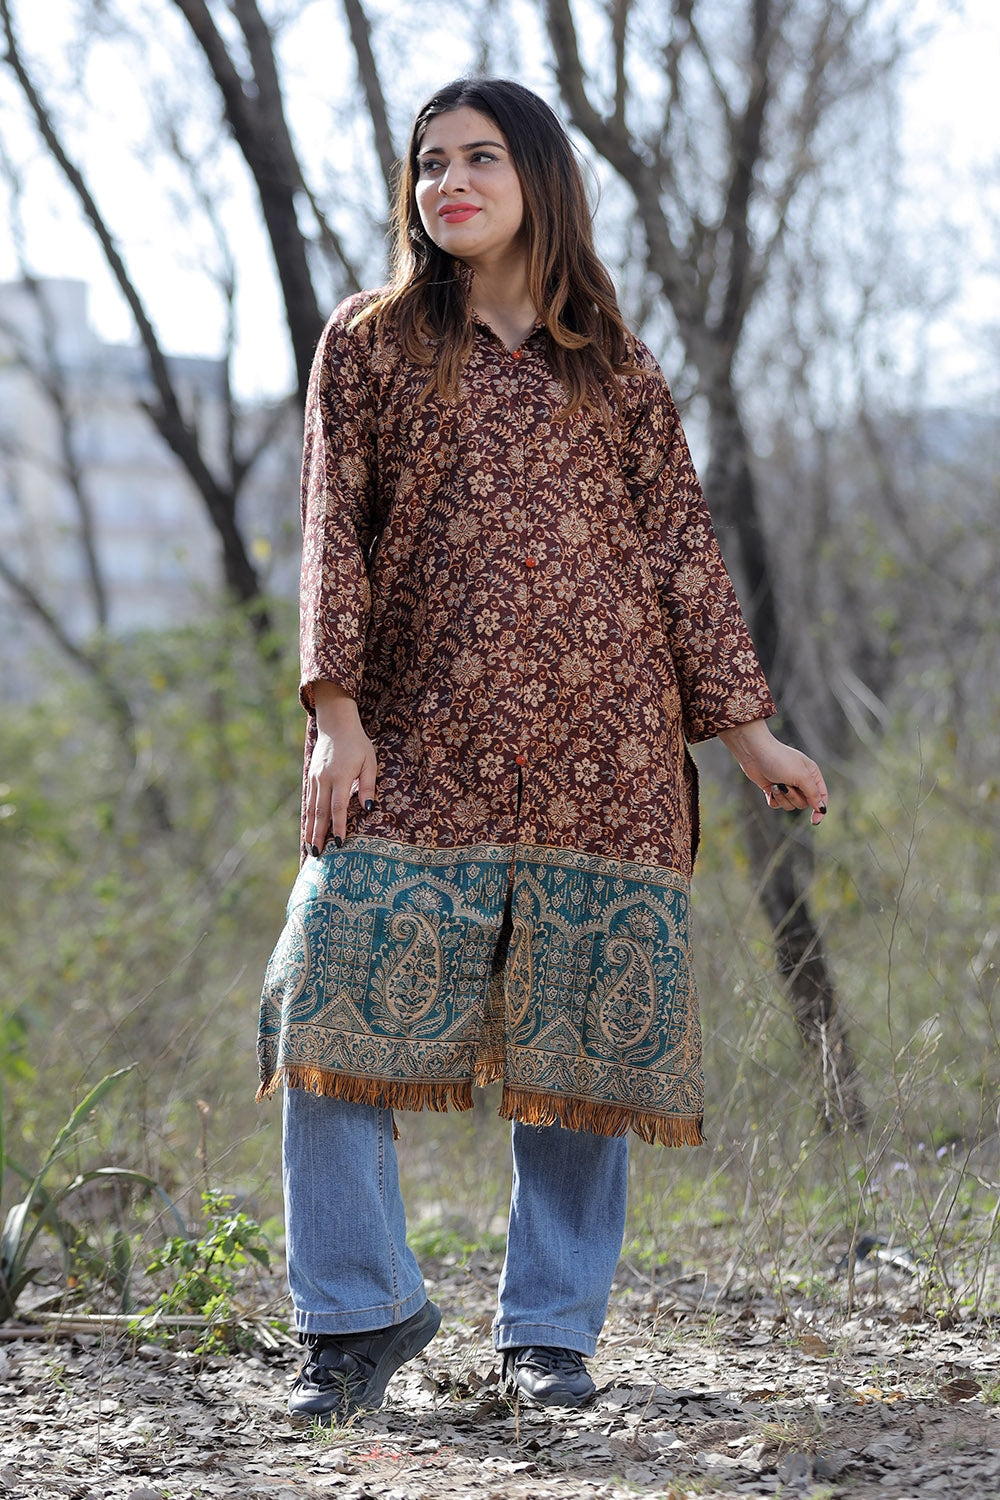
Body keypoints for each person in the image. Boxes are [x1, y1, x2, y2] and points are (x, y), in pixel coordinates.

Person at [257, 76, 828, 1424]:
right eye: (428, 163)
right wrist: (334, 718)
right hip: (419, 754)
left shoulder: (613, 364)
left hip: (611, 759)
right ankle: (360, 1314)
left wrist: (748, 733)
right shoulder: (375, 343)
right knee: (321, 991)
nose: (446, 183)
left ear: (541, 182)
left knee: (584, 1040)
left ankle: (550, 1339)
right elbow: (332, 530)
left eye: (479, 159)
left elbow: (682, 553)